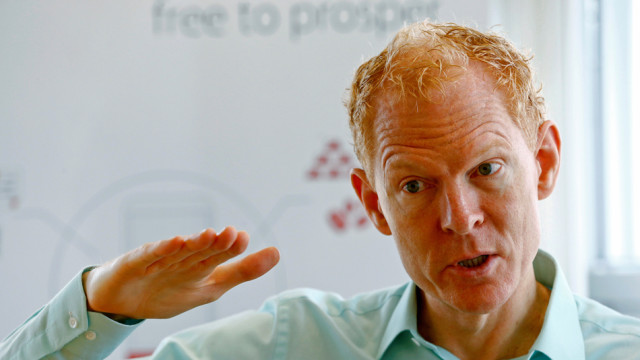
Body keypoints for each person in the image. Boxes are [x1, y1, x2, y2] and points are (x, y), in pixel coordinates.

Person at [3, 20, 640, 360]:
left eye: (487, 170)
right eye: (415, 184)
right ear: (374, 205)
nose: (460, 218)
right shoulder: (296, 345)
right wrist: (103, 306)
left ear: (545, 162)